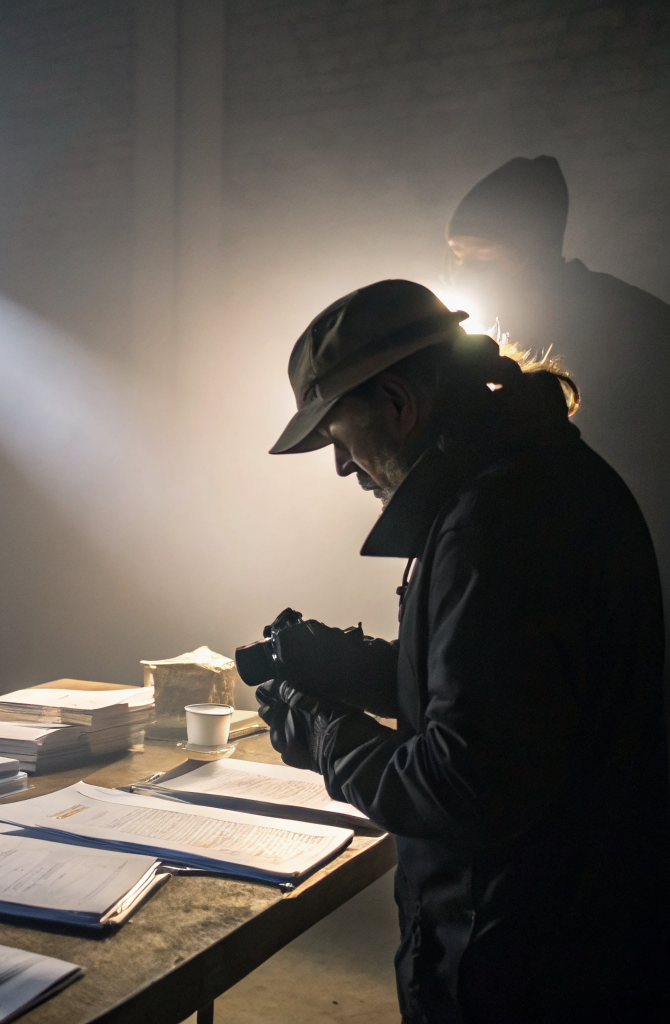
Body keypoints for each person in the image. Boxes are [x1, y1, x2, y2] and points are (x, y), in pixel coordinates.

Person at [246, 279, 668, 1022]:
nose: (341, 468)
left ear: (400, 404)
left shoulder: (493, 525)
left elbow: (462, 784)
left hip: (520, 963)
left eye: (339, 437)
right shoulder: (528, 482)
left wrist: (322, 733)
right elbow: (501, 692)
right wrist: (348, 668)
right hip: (571, 933)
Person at [447, 156, 670, 710]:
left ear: (534, 250)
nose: (463, 273)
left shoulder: (623, 324)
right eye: (456, 256)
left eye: (484, 256)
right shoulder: (508, 317)